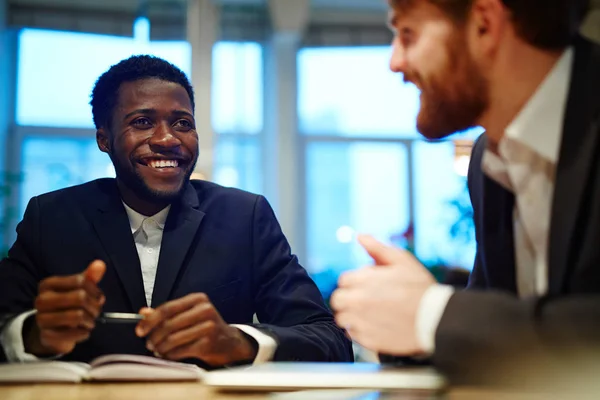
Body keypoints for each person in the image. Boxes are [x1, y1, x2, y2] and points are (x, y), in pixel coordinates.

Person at [0, 55, 353, 367]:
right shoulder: (52, 217)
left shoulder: (244, 216)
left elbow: (330, 340)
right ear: (104, 139)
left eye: (183, 123)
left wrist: (239, 342)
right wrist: (33, 334)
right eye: (142, 122)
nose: (168, 139)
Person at [330, 0, 600, 386]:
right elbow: (508, 334)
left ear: (484, 24)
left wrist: (431, 316)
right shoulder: (487, 161)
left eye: (408, 34)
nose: (394, 62)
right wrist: (406, 324)